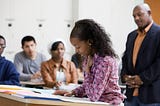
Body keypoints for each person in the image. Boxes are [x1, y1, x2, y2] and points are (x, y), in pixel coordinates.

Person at [54, 19, 124, 105]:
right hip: (97, 102)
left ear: (90, 42)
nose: (76, 51)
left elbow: (93, 95)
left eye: (78, 47)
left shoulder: (105, 61)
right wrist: (73, 92)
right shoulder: (89, 58)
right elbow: (87, 86)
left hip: (109, 103)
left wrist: (87, 71)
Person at [120, 3, 160, 106]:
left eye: (140, 14)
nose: (136, 18)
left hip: (151, 95)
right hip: (130, 95)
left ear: (149, 13)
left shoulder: (158, 33)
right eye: (134, 16)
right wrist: (125, 76)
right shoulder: (131, 36)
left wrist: (141, 78)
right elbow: (125, 58)